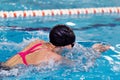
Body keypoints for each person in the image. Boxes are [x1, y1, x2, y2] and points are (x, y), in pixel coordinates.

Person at [1, 24, 110, 68]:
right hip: (9, 75)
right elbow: (81, 67)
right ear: (67, 45)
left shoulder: (37, 42)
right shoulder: (54, 58)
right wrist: (95, 52)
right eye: (72, 44)